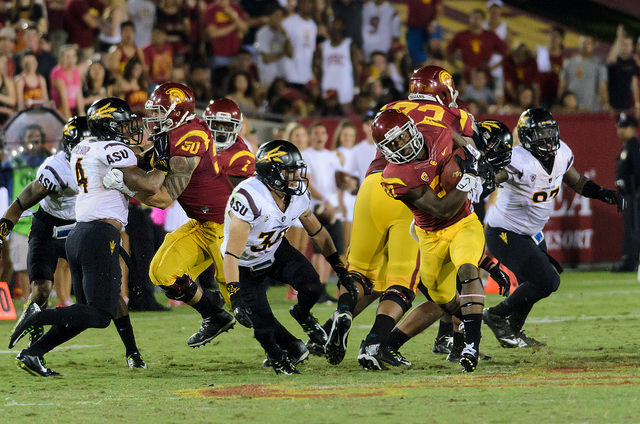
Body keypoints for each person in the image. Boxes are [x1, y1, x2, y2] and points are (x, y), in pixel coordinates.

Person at [323, 66, 478, 369]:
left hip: (372, 186)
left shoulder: (391, 108)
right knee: (404, 280)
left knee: (360, 272)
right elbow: (469, 154)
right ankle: (375, 343)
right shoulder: (457, 116)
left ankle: (328, 327)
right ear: (444, 92)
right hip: (413, 191)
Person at [8, 98, 160, 376]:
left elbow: (122, 168)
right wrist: (162, 164)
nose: (127, 130)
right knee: (100, 315)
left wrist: (145, 157)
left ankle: (33, 352)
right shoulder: (112, 148)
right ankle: (37, 315)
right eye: (123, 124)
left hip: (78, 234)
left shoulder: (82, 148)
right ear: (109, 126)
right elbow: (149, 187)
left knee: (87, 311)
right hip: (97, 235)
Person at [107, 82, 237, 347]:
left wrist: (124, 184)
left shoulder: (190, 138)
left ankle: (288, 345)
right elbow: (148, 158)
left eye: (158, 111)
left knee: (244, 305)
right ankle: (214, 315)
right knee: (162, 272)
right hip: (203, 224)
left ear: (176, 112)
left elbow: (165, 198)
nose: (152, 118)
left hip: (228, 228)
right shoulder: (173, 133)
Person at [482, 108, 624, 348]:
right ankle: (495, 315)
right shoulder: (517, 158)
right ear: (526, 137)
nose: (547, 139)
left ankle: (512, 333)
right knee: (547, 281)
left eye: (550, 132)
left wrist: (602, 193)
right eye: (540, 134)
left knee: (535, 283)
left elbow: (576, 181)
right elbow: (495, 176)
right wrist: (485, 176)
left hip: (532, 233)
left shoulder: (562, 153)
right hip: (504, 231)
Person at [221, 139, 352, 374]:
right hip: (245, 262)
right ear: (270, 172)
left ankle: (302, 313)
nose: (296, 177)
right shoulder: (250, 196)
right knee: (261, 322)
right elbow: (231, 254)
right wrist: (235, 295)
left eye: (296, 171)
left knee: (313, 286)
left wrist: (340, 269)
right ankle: (277, 356)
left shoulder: (294, 194)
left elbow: (318, 232)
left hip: (275, 248)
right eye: (289, 171)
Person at [373, 109, 488, 373]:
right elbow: (441, 210)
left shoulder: (437, 132)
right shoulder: (395, 175)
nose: (402, 145)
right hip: (431, 235)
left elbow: (458, 138)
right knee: (441, 298)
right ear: (384, 150)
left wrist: (473, 156)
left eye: (402, 137)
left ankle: (471, 345)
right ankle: (393, 344)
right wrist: (469, 177)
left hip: (463, 224)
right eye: (393, 144)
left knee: (469, 269)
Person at [202, 97, 255, 189]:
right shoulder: (196, 142)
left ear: (237, 127)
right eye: (216, 124)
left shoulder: (243, 157)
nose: (222, 130)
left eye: (227, 126)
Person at [613, 112, 640, 272]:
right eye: (619, 127)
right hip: (626, 195)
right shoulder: (626, 148)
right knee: (630, 227)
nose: (620, 130)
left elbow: (638, 172)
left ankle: (631, 261)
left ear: (632, 128)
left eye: (624, 127)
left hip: (634, 195)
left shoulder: (635, 148)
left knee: (634, 228)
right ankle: (629, 259)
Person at [558, 35, 609, 112]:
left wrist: (606, 104)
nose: (585, 46)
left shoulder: (599, 64)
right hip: (571, 109)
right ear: (579, 44)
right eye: (583, 43)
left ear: (594, 45)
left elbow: (602, 87)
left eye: (588, 43)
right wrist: (559, 103)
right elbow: (562, 86)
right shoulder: (568, 63)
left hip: (591, 109)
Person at [607, 25, 640, 116]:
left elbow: (633, 84)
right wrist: (619, 36)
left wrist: (637, 103)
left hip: (626, 105)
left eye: (629, 45)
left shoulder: (632, 62)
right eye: (624, 45)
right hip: (612, 107)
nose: (626, 47)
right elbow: (611, 58)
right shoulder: (614, 61)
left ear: (632, 47)